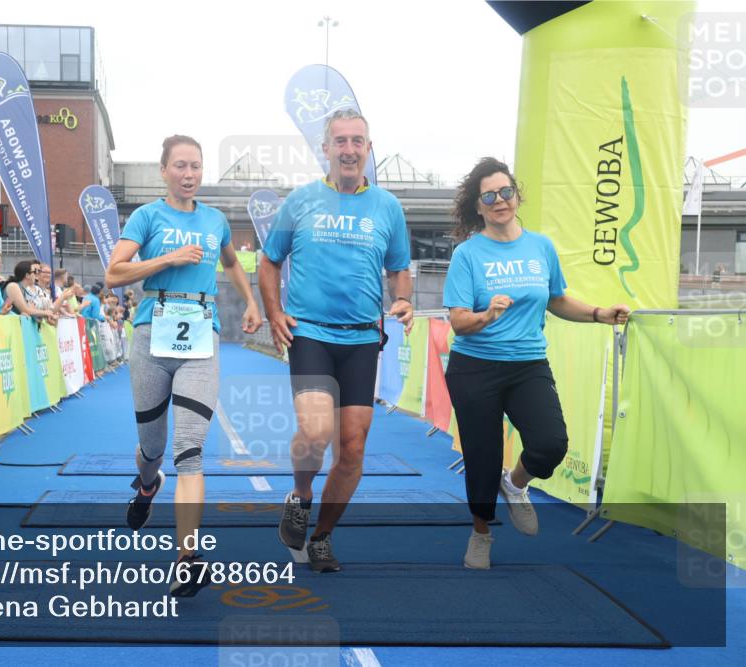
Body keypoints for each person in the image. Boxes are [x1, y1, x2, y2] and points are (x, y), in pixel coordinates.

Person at [443, 157, 631, 570]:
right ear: (478, 206)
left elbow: (557, 299)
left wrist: (600, 313)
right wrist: (486, 316)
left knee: (551, 444)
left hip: (527, 364)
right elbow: (457, 321)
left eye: (505, 192)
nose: (499, 201)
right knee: (482, 456)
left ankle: (515, 484)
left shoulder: (540, 247)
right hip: (474, 366)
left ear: (516, 195)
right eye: (489, 196)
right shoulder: (468, 255)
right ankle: (481, 534)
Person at [106, 134, 262, 597]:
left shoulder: (215, 220)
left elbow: (231, 264)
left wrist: (250, 300)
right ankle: (147, 484)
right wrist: (170, 258)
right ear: (164, 170)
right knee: (152, 448)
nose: (189, 174)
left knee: (190, 451)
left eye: (196, 166)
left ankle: (187, 558)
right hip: (151, 332)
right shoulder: (147, 216)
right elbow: (114, 272)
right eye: (180, 166)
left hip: (200, 334)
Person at [259, 109, 414, 573]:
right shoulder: (301, 201)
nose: (349, 149)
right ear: (325, 148)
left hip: (363, 339)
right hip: (310, 333)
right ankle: (300, 496)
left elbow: (399, 267)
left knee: (353, 447)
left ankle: (322, 537)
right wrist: (273, 313)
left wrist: (403, 298)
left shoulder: (387, 207)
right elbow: (269, 262)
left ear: (368, 148)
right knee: (315, 431)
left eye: (358, 141)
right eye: (340, 141)